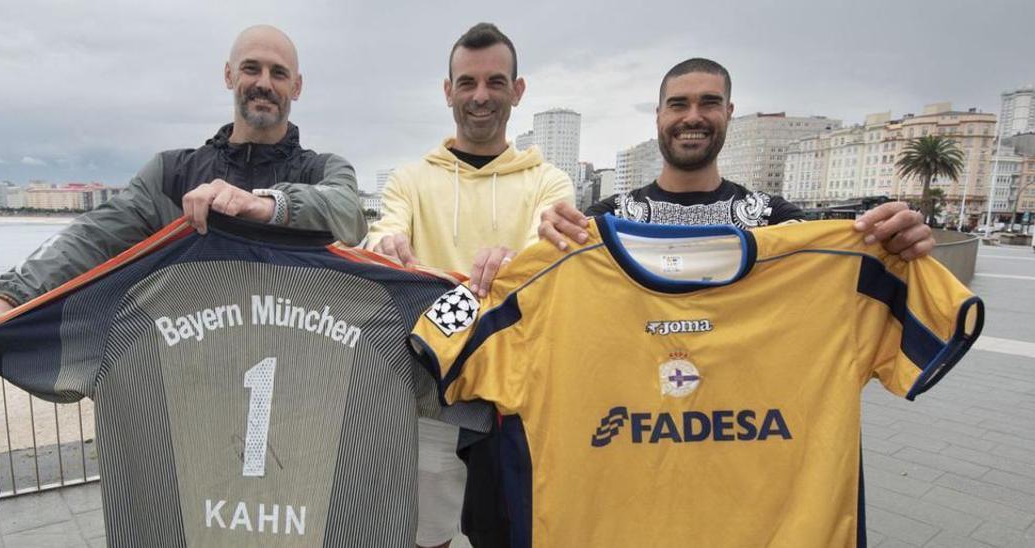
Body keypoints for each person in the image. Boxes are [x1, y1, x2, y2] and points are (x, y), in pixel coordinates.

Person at [0, 25, 367, 359]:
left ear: (297, 87)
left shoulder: (323, 169)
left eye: (279, 73)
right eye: (252, 68)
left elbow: (348, 215)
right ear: (229, 75)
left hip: (302, 371)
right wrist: (9, 301)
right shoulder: (171, 173)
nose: (264, 83)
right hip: (191, 373)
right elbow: (92, 237)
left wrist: (264, 204)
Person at [364, 23, 573, 548]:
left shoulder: (549, 180)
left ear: (517, 91)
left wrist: (520, 258)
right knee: (430, 531)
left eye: (495, 82)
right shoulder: (408, 179)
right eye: (468, 83)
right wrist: (385, 246)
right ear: (448, 90)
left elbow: (549, 249)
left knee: (514, 529)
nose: (480, 97)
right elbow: (382, 232)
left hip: (517, 399)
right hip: (433, 391)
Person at [537, 58, 935, 261]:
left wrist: (895, 250)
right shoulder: (607, 220)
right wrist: (548, 239)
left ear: (728, 112)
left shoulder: (777, 220)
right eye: (678, 105)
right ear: (658, 116)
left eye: (709, 103)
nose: (693, 116)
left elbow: (842, 275)